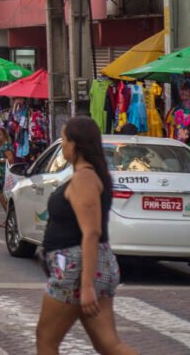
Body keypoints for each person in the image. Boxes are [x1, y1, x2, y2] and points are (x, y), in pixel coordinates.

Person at [36, 117, 135, 355]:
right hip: (82, 267)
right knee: (107, 344)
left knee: (46, 340)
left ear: (76, 144)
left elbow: (91, 232)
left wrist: (87, 285)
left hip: (76, 268)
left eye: (64, 139)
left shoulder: (85, 178)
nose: (62, 145)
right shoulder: (87, 175)